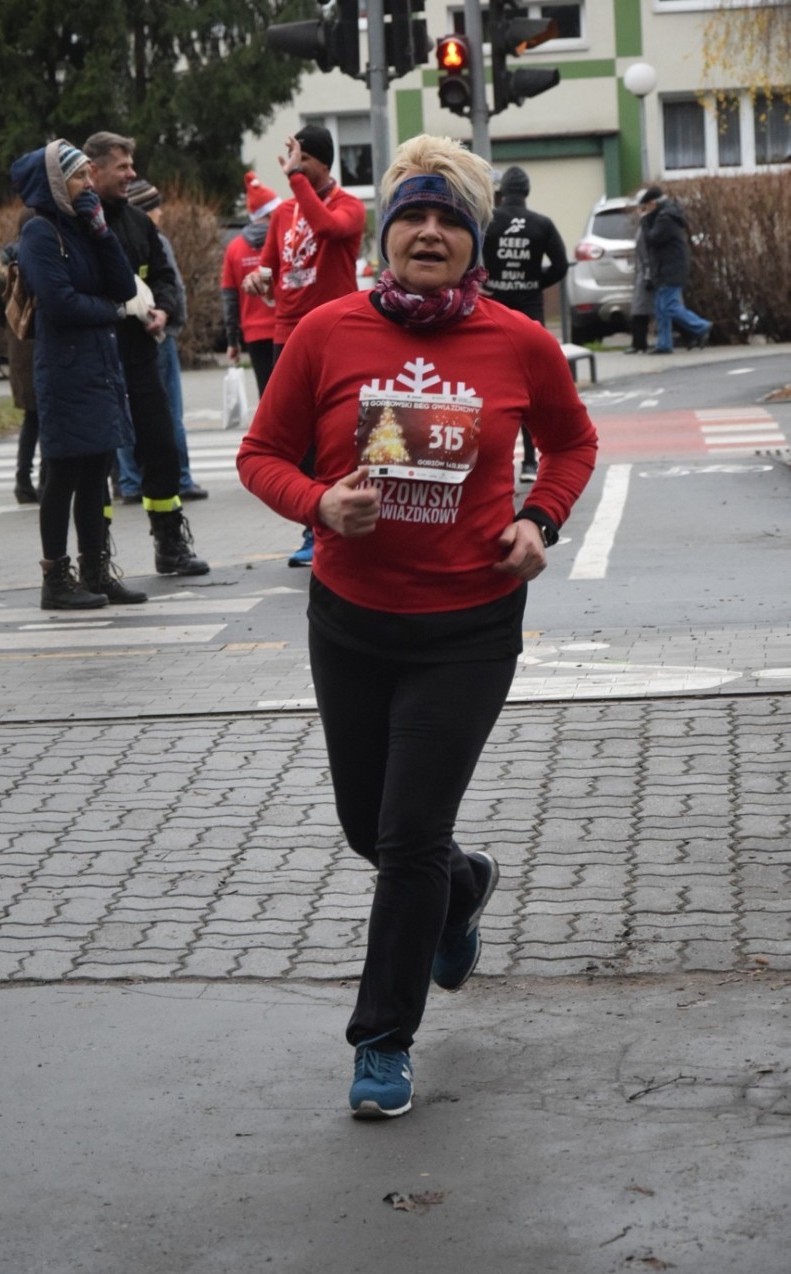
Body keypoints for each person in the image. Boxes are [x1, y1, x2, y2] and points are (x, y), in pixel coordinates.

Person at [237, 134, 598, 1119]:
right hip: (351, 622)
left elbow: (570, 443)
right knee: (373, 827)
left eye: (449, 219)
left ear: (472, 239)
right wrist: (318, 503)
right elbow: (261, 453)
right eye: (413, 216)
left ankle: (383, 1038)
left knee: (406, 835)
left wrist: (539, 519)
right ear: (387, 232)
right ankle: (464, 884)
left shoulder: (517, 341)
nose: (429, 232)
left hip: (469, 628)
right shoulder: (324, 333)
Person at [9, 139, 145, 609]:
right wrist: (109, 311)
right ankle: (56, 580)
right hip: (66, 372)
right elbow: (60, 302)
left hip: (98, 367)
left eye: (90, 176)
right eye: (80, 177)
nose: (90, 184)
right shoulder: (40, 232)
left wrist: (101, 231)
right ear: (56, 183)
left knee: (95, 474)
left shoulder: (83, 226)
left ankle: (95, 571)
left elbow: (125, 286)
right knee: (62, 475)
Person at [82, 131, 209, 575]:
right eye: (123, 166)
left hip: (139, 354)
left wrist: (164, 309)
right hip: (94, 359)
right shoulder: (75, 224)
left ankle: (170, 543)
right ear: (93, 169)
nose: (132, 173)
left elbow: (164, 277)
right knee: (97, 458)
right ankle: (95, 557)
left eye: (132, 164)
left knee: (161, 446)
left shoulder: (139, 224)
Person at [242, 124, 366, 568]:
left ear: (317, 162)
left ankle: (336, 520)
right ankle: (312, 526)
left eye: (300, 161)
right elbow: (270, 267)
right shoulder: (282, 215)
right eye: (291, 161)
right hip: (286, 332)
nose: (292, 169)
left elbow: (329, 228)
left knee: (335, 429)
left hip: (336, 331)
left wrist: (296, 180)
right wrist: (256, 278)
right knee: (298, 438)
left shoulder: (349, 206)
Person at [114, 178, 209, 504]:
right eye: (155, 207)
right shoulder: (154, 238)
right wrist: (173, 319)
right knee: (169, 411)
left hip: (126, 332)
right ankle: (180, 478)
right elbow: (173, 284)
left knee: (126, 409)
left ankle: (129, 482)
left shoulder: (115, 236)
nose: (161, 213)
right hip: (158, 332)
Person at [482, 165, 569, 484]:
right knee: (527, 388)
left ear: (502, 192)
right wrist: (533, 282)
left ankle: (495, 460)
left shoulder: (488, 220)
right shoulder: (542, 224)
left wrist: (489, 282)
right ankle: (531, 462)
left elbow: (468, 256)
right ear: (527, 192)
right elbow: (560, 266)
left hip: (494, 310)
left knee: (491, 386)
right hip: (530, 314)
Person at [0, 209, 44, 503]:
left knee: (32, 419)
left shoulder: (3, 264)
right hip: (44, 344)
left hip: (19, 349)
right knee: (51, 416)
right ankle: (47, 480)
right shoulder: (45, 256)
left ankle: (22, 480)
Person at [221, 171, 282, 401]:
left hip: (255, 334)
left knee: (267, 397)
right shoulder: (282, 240)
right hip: (286, 327)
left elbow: (229, 298)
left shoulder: (234, 248)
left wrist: (232, 341)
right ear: (271, 212)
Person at [639, 184, 712, 355]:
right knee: (660, 307)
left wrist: (644, 220)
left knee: (669, 306)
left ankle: (701, 326)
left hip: (671, 269)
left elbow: (653, 239)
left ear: (653, 203)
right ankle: (664, 344)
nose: (645, 210)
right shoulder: (665, 215)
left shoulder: (666, 218)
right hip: (667, 268)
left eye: (646, 206)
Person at [624, 203, 654, 353]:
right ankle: (638, 343)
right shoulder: (645, 224)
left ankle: (639, 343)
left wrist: (648, 273)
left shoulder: (647, 223)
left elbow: (646, 251)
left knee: (641, 309)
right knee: (639, 309)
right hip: (642, 272)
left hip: (646, 272)